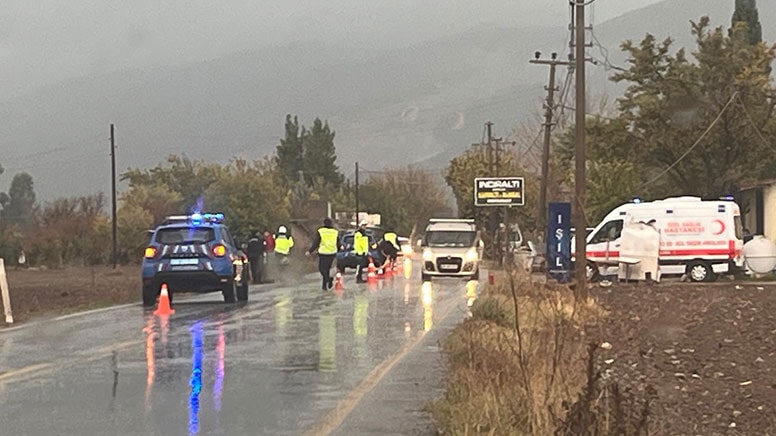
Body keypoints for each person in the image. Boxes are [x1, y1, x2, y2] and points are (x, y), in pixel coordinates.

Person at [306, 217, 339, 290]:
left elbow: (316, 242)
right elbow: (338, 242)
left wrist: (310, 251)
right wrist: (339, 250)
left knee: (322, 269)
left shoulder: (321, 231)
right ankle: (324, 286)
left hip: (323, 253)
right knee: (327, 269)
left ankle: (328, 279)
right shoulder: (335, 232)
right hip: (332, 253)